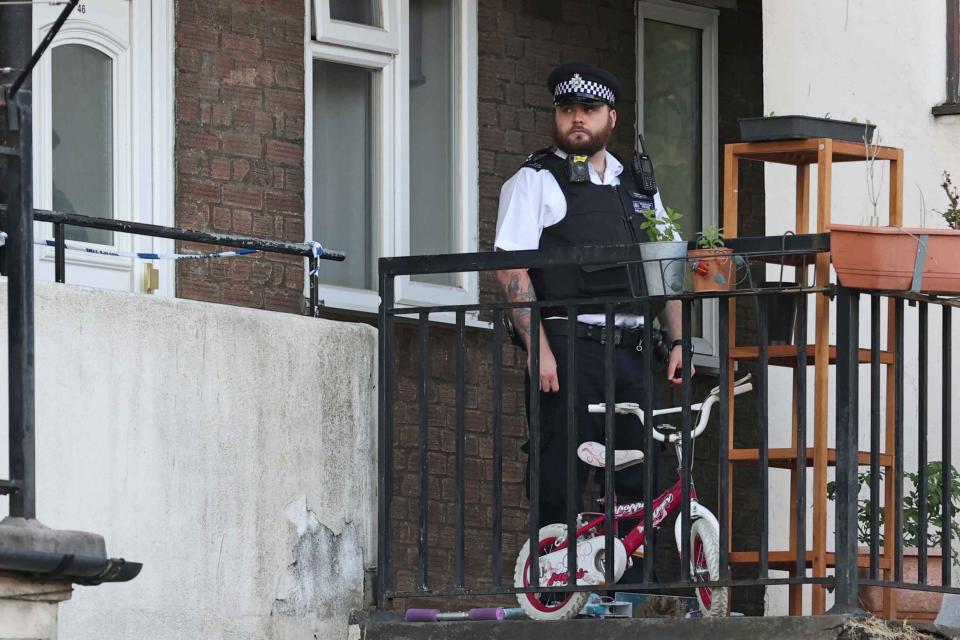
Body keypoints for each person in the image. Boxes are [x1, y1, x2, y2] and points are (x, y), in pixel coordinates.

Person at [494, 61, 694, 528]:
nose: (576, 118)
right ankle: (556, 589)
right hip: (568, 349)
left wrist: (680, 340)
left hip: (634, 351)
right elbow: (510, 270)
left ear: (612, 117)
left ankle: (631, 591)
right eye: (566, 109)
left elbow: (664, 269)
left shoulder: (638, 186)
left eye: (589, 108)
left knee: (640, 470)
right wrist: (537, 348)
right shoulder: (537, 179)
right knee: (561, 465)